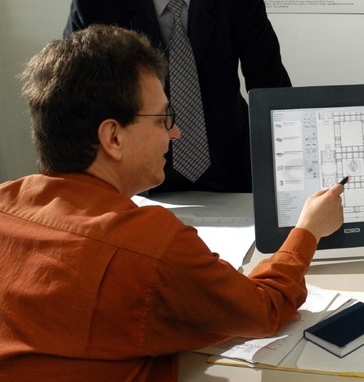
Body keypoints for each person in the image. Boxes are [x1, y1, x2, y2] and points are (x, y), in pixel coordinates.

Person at [0, 25, 343, 380]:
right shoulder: (151, 246)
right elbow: (264, 309)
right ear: (113, 137)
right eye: (164, 118)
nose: (175, 132)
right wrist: (308, 231)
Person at [64, 0, 291, 193]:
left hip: (230, 169)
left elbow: (270, 89)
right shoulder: (97, 0)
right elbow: (74, 107)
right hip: (135, 179)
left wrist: (288, 178)